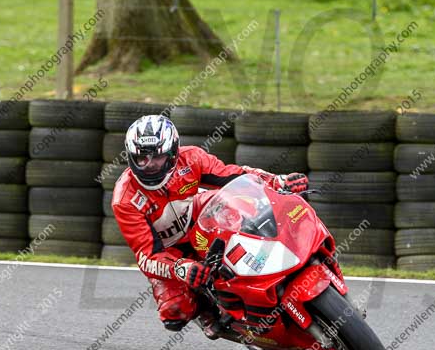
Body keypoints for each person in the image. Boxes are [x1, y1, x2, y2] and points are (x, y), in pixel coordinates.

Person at [112, 114, 308, 332]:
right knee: (174, 312)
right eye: (142, 158)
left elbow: (234, 176)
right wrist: (180, 267)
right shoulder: (125, 199)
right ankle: (205, 309)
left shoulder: (192, 159)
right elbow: (146, 255)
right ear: (130, 157)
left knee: (234, 204)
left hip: (199, 222)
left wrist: (276, 181)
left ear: (172, 153)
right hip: (169, 251)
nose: (149, 166)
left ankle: (268, 255)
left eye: (157, 157)